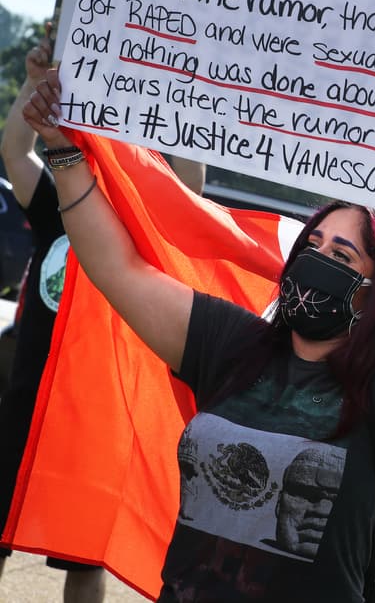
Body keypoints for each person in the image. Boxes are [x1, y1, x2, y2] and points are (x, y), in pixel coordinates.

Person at [21, 66, 375, 602]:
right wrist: (65, 153)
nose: (317, 260)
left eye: (342, 256)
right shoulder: (231, 345)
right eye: (313, 245)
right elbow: (118, 270)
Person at [0, 36, 208, 603]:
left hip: (91, 418)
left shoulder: (137, 232)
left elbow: (191, 190)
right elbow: (16, 153)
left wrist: (187, 100)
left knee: (83, 560)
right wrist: (34, 83)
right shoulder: (51, 206)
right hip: (25, 404)